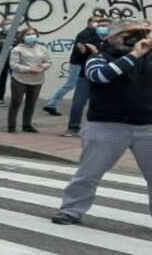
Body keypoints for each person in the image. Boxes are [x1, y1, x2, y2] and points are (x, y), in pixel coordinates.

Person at [53, 19, 152, 225]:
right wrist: (134, 55)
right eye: (131, 34)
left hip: (147, 126)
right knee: (89, 173)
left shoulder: (148, 58)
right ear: (112, 37)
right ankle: (71, 209)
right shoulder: (99, 57)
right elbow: (100, 76)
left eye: (141, 34)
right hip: (107, 126)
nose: (137, 38)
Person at [61, 17, 109, 137]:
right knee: (78, 102)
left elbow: (114, 59)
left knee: (103, 104)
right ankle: (73, 127)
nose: (102, 28)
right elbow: (79, 57)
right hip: (86, 74)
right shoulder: (89, 38)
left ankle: (99, 129)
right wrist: (82, 51)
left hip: (105, 76)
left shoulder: (115, 42)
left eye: (105, 26)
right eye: (100, 26)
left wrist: (96, 52)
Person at [7, 28, 52, 133]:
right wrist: (29, 69)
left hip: (37, 80)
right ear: (23, 37)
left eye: (33, 34)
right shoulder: (17, 49)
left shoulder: (42, 48)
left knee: (31, 104)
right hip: (20, 79)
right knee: (16, 102)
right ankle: (11, 126)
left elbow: (48, 61)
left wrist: (42, 67)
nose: (31, 36)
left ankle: (27, 125)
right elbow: (13, 65)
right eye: (28, 34)